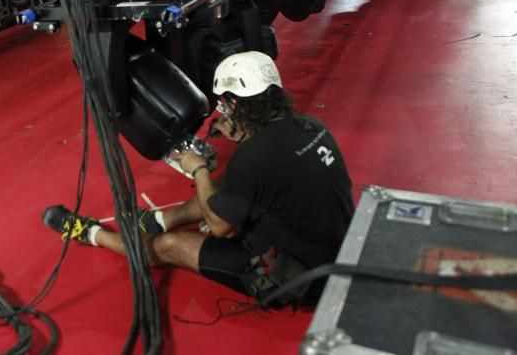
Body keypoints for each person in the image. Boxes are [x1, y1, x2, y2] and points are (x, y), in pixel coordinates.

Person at [42, 52, 354, 303]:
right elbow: (266, 170)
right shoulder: (307, 125)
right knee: (226, 185)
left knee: (168, 245)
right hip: (336, 248)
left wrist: (198, 168)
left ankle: (90, 233)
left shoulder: (254, 155)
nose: (223, 112)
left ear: (235, 103)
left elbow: (218, 228)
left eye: (224, 104)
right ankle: (161, 218)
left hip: (295, 277)